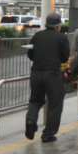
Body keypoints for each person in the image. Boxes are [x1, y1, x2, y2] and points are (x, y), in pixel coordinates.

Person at [25, 12, 70, 142]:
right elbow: (64, 58)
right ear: (58, 25)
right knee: (55, 103)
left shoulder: (37, 35)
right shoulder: (61, 37)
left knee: (35, 100)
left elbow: (30, 54)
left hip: (36, 72)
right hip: (52, 73)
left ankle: (31, 120)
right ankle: (48, 134)